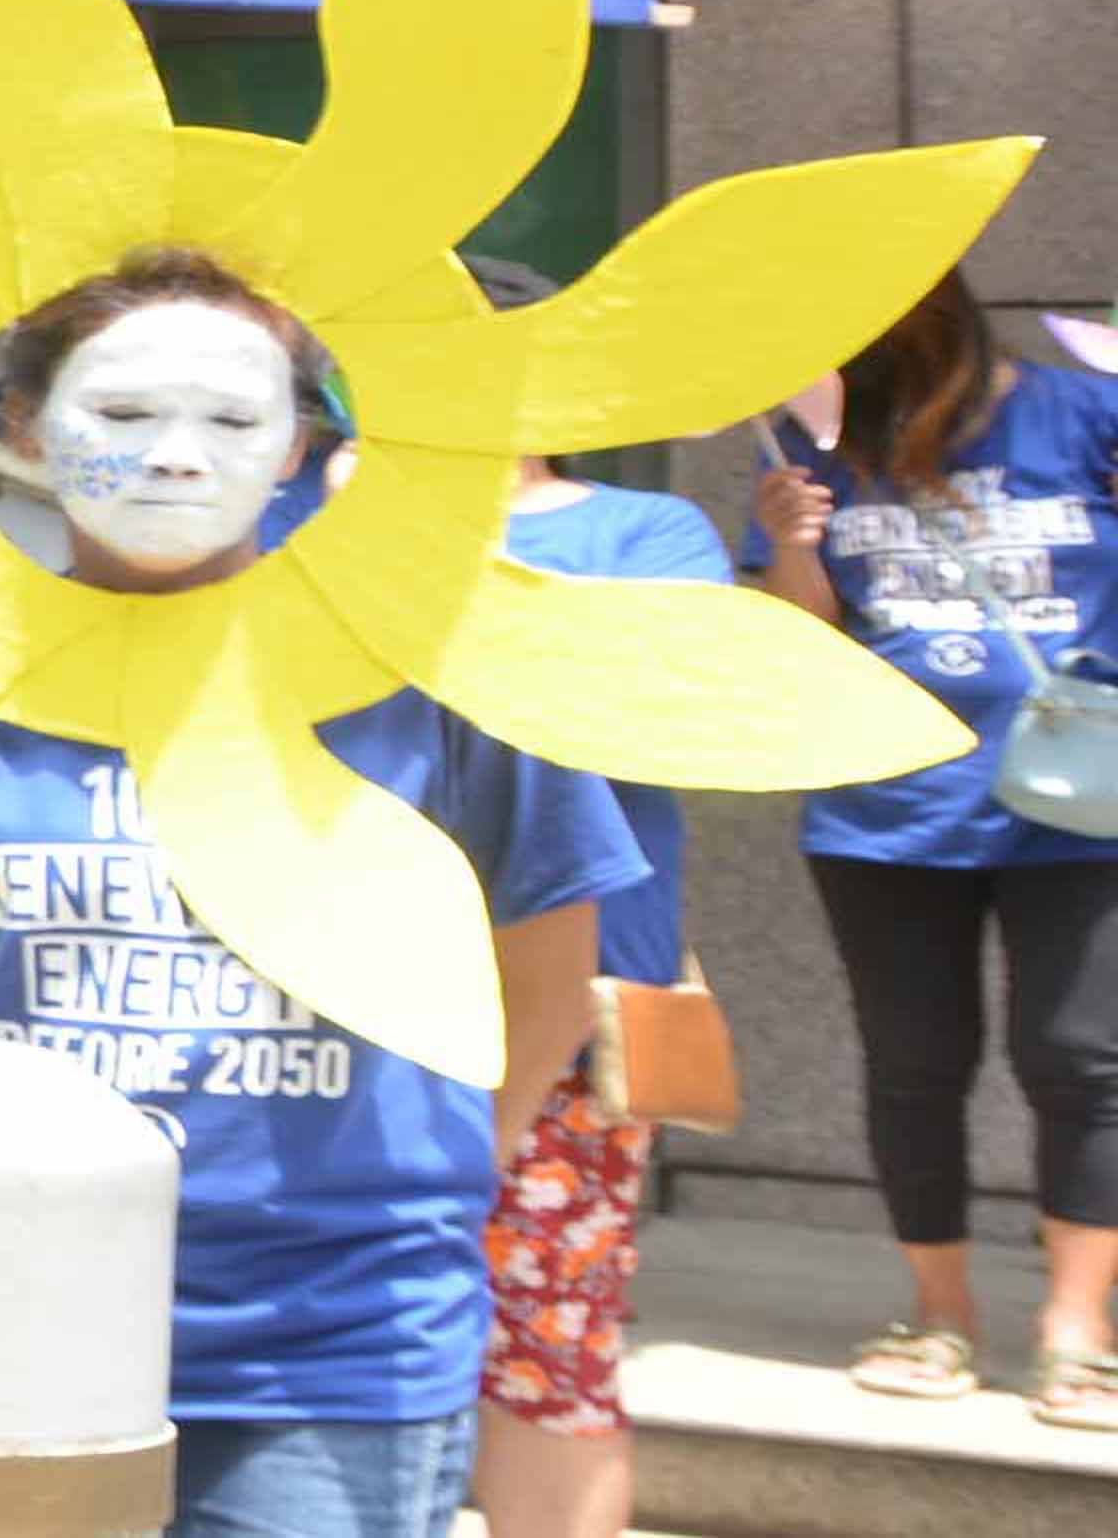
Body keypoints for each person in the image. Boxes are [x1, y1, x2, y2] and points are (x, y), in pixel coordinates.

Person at [0, 249, 639, 1538]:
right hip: (3, 1307)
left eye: (231, 418)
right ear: (23, 426)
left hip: (331, 1338)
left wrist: (437, 1177)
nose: (175, 459)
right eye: (119, 415)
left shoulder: (430, 671)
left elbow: (543, 964)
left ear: (293, 447)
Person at [746, 266, 1118, 1426]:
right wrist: (790, 543)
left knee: (1084, 1062)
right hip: (887, 810)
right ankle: (940, 1312)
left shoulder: (1084, 413)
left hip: (1078, 796)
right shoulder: (814, 443)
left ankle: (1076, 1328)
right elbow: (802, 639)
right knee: (914, 1065)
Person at [440, 259, 736, 1538]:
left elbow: (686, 707)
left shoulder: (647, 534)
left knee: (546, 1351)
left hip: (573, 996)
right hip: (326, 984)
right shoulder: (282, 523)